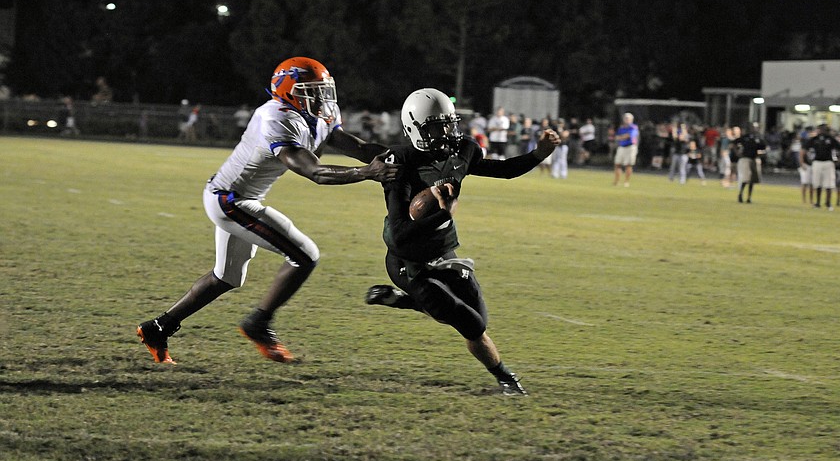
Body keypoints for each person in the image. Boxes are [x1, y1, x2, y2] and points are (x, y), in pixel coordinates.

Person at [136, 57, 398, 364]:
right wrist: (367, 173)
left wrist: (405, 155)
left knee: (227, 277)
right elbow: (314, 172)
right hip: (230, 199)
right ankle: (259, 324)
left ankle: (158, 327)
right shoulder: (276, 116)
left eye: (323, 90)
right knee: (304, 255)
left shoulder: (319, 112)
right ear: (288, 91)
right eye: (310, 91)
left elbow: (355, 145)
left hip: (242, 198)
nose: (321, 98)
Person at [363, 88, 560, 396]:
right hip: (408, 262)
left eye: (448, 123)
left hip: (444, 251)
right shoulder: (401, 161)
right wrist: (442, 214)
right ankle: (506, 379)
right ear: (414, 127)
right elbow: (400, 232)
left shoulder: (463, 150)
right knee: (470, 323)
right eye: (436, 126)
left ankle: (404, 301)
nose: (446, 132)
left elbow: (503, 170)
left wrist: (538, 154)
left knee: (478, 317)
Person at [802, 123, 840, 210]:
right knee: (817, 183)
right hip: (817, 161)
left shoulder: (830, 139)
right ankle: (818, 202)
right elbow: (805, 148)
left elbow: (839, 147)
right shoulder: (814, 139)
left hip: (828, 162)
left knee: (829, 183)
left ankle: (828, 203)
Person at [732, 122, 767, 204]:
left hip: (754, 159)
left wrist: (761, 154)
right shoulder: (745, 137)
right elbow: (734, 143)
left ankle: (749, 197)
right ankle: (740, 194)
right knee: (746, 178)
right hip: (745, 158)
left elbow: (763, 148)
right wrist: (737, 152)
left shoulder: (758, 138)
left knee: (753, 180)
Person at [613, 112, 639, 186]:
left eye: (628, 118)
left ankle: (626, 182)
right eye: (625, 118)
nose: (626, 120)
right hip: (622, 147)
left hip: (630, 147)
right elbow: (617, 136)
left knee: (628, 165)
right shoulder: (622, 128)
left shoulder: (633, 127)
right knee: (617, 164)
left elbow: (628, 136)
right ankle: (616, 181)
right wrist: (621, 137)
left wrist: (621, 137)